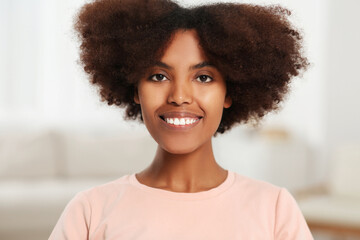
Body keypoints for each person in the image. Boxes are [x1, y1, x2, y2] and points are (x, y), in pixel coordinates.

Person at [49, 0, 313, 239]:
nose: (179, 96)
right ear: (135, 89)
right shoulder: (90, 211)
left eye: (203, 77)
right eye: (159, 76)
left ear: (229, 92)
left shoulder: (275, 209)